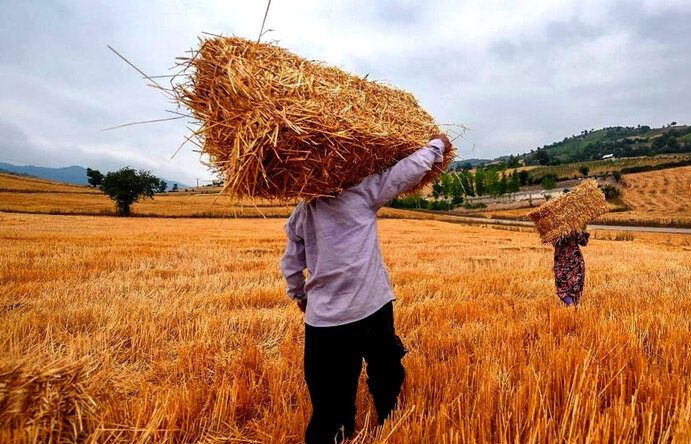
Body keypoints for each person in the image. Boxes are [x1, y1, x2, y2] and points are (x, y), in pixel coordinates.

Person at [280, 135, 451, 444]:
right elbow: (406, 171)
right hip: (371, 308)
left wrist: (301, 297)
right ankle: (391, 424)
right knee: (386, 373)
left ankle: (337, 433)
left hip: (324, 322)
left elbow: (291, 266)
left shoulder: (301, 214)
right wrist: (436, 146)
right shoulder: (362, 194)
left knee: (329, 401)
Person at [553, 230, 590, 306]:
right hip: (573, 261)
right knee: (572, 287)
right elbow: (583, 241)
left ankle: (572, 309)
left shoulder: (553, 225)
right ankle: (572, 306)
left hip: (563, 261)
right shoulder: (573, 225)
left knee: (565, 287)